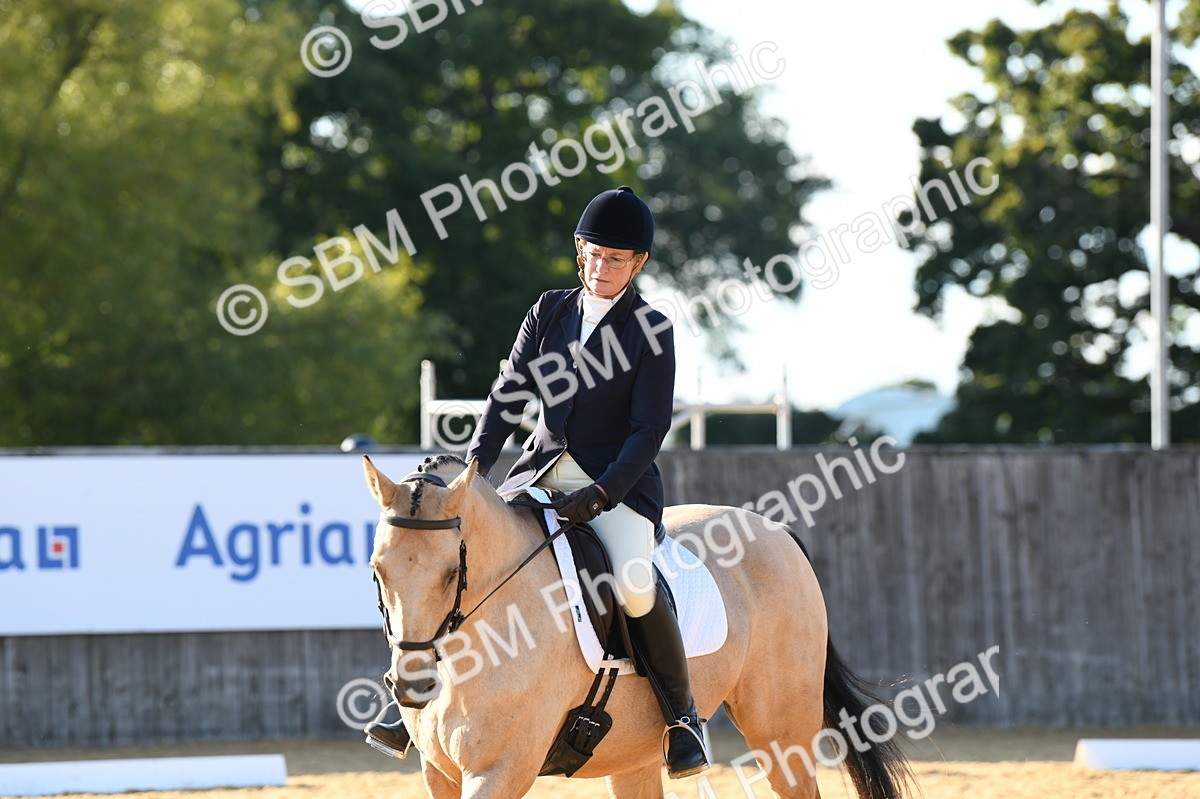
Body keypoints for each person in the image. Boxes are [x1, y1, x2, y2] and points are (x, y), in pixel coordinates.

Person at [366, 185, 709, 779]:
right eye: (594, 254)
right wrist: (471, 474)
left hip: (614, 485)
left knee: (633, 583)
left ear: (639, 264)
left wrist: (601, 494)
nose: (602, 268)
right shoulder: (548, 311)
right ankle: (416, 703)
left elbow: (649, 429)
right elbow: (506, 396)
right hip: (538, 472)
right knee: (458, 559)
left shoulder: (652, 329)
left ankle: (682, 719)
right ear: (580, 251)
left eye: (617, 259)